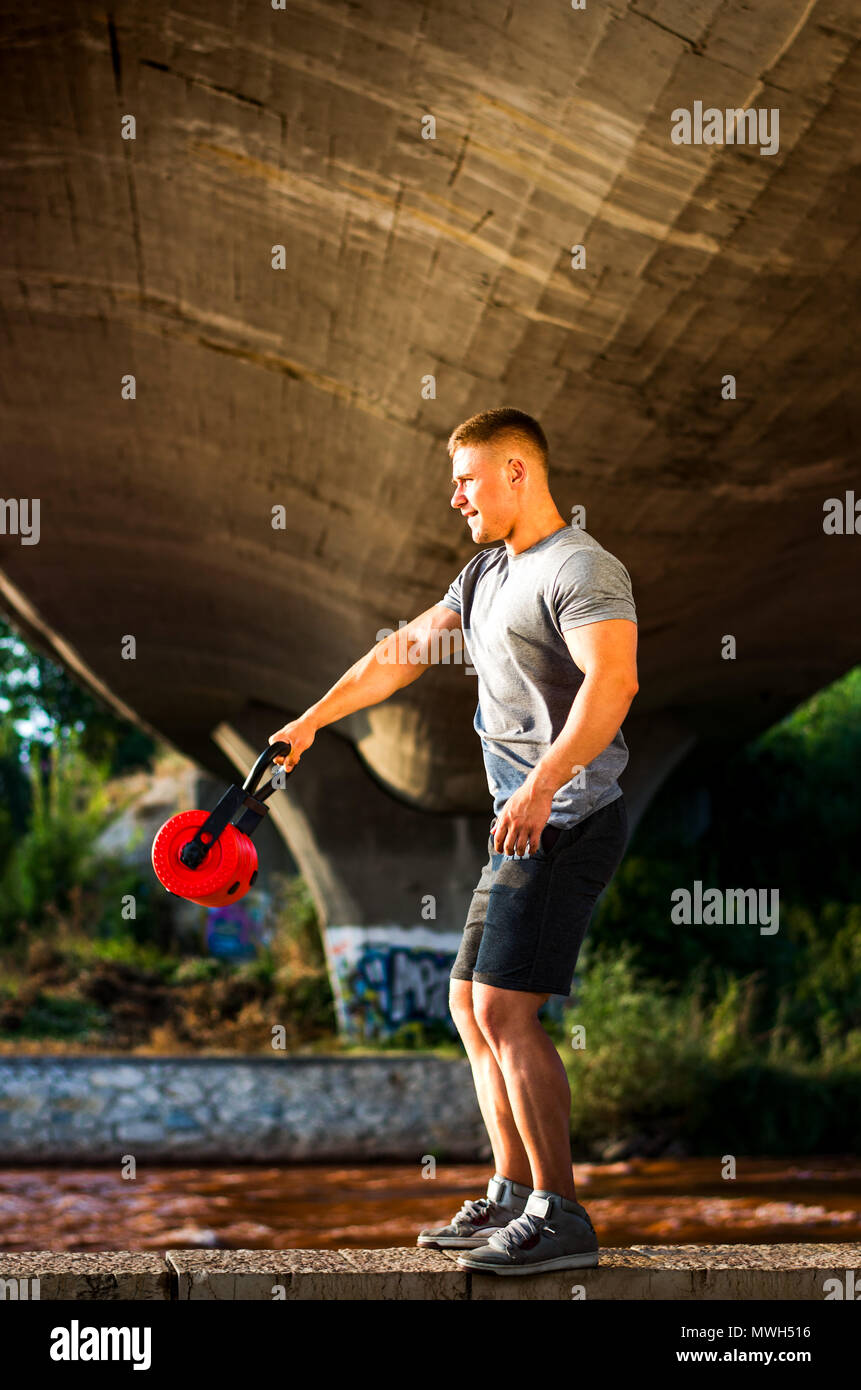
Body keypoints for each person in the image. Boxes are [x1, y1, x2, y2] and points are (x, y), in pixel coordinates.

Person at [269, 407, 638, 1275]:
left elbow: (612, 684)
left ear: (517, 471)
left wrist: (544, 786)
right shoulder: (484, 573)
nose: (455, 496)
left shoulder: (582, 568)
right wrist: (313, 721)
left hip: (568, 817)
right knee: (468, 1005)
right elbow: (402, 649)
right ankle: (510, 1192)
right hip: (524, 822)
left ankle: (561, 1214)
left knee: (506, 1011)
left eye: (467, 479)